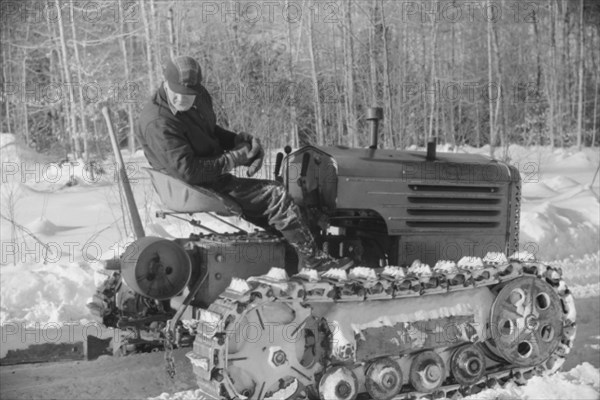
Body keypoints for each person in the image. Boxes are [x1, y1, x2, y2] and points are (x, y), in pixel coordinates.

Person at [136, 55, 352, 271]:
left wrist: (237, 141)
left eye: (189, 95)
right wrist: (234, 158)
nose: (183, 100)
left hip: (207, 176)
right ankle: (316, 264)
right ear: (166, 83)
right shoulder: (158, 122)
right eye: (178, 94)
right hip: (190, 186)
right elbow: (188, 171)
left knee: (281, 201)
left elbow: (208, 131)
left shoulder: (199, 97)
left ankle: (291, 257)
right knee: (276, 196)